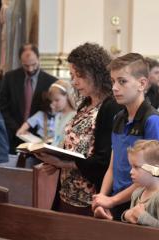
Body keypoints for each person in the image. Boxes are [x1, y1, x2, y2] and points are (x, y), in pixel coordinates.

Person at [34, 42, 123, 216]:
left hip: (90, 200)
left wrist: (63, 163)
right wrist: (56, 162)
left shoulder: (111, 107)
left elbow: (103, 161)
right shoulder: (86, 103)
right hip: (67, 193)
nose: (74, 82)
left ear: (95, 73)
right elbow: (76, 147)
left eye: (79, 76)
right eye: (72, 76)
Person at [92, 53, 159, 221]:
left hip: (143, 204)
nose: (114, 88)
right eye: (113, 81)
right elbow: (113, 167)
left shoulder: (152, 121)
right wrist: (102, 198)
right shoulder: (118, 118)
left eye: (122, 81)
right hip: (117, 199)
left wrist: (111, 200)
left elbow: (151, 176)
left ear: (142, 84)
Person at [0, 43, 56, 153]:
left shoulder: (51, 82)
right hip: (11, 135)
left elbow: (51, 111)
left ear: (38, 59)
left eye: (34, 64)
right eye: (26, 65)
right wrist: (17, 128)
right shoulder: (10, 78)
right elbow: (2, 106)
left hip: (38, 139)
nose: (30, 69)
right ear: (20, 61)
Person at [120, 139, 159, 230]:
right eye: (131, 167)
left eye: (136, 167)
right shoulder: (137, 193)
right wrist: (126, 215)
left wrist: (142, 216)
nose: (131, 172)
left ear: (155, 169)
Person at [48, 80, 76, 147]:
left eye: (57, 100)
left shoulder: (74, 116)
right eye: (52, 101)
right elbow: (56, 138)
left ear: (67, 96)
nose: (53, 104)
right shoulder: (58, 115)